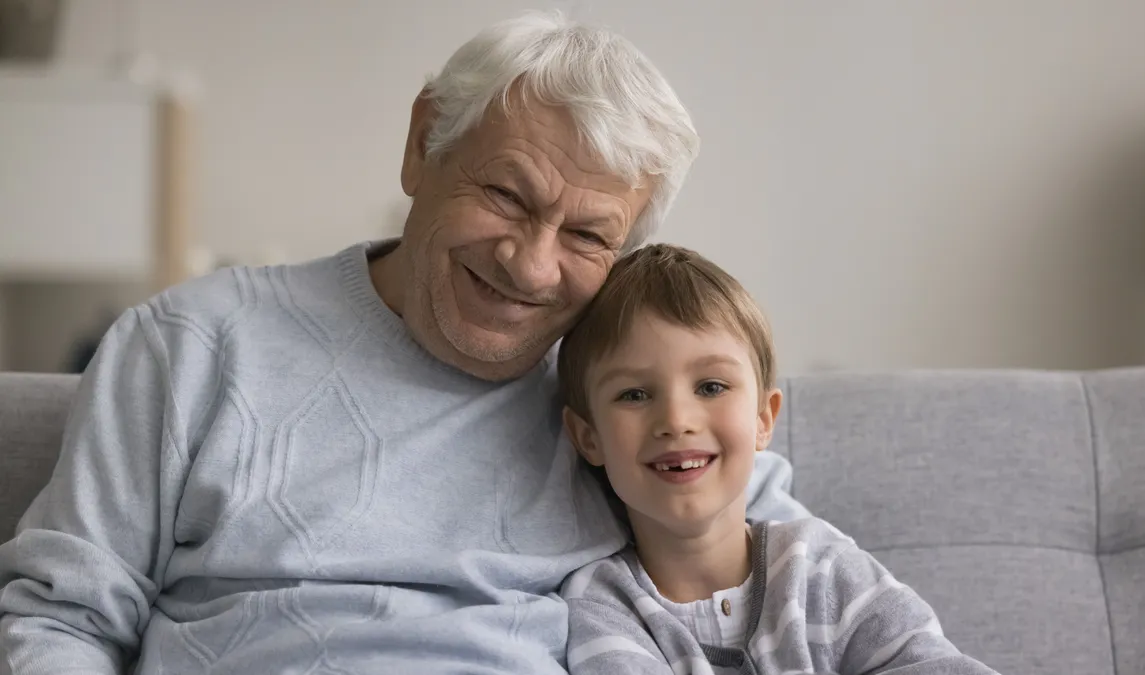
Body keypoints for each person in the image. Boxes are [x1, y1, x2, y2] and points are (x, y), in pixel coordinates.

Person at [0, 11, 810, 675]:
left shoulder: (622, 394)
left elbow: (790, 568)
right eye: (505, 194)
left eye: (587, 236)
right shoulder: (191, 343)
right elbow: (60, 622)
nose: (530, 264)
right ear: (422, 142)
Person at [558, 244, 999, 674]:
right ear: (588, 437)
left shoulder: (824, 568)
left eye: (711, 386)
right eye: (633, 394)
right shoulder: (601, 607)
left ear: (764, 419)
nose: (676, 420)